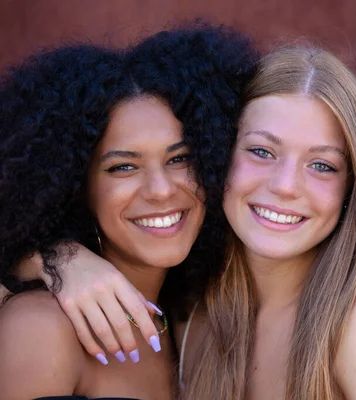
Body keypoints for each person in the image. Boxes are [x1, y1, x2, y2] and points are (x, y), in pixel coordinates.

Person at [9, 46, 356, 399]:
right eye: (262, 152)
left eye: (323, 165)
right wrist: (55, 259)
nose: (286, 186)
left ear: (353, 186)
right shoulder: (194, 312)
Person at [0, 24, 257, 399]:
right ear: (77, 186)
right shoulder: (41, 327)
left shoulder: (191, 320)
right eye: (123, 166)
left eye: (180, 158)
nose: (161, 189)